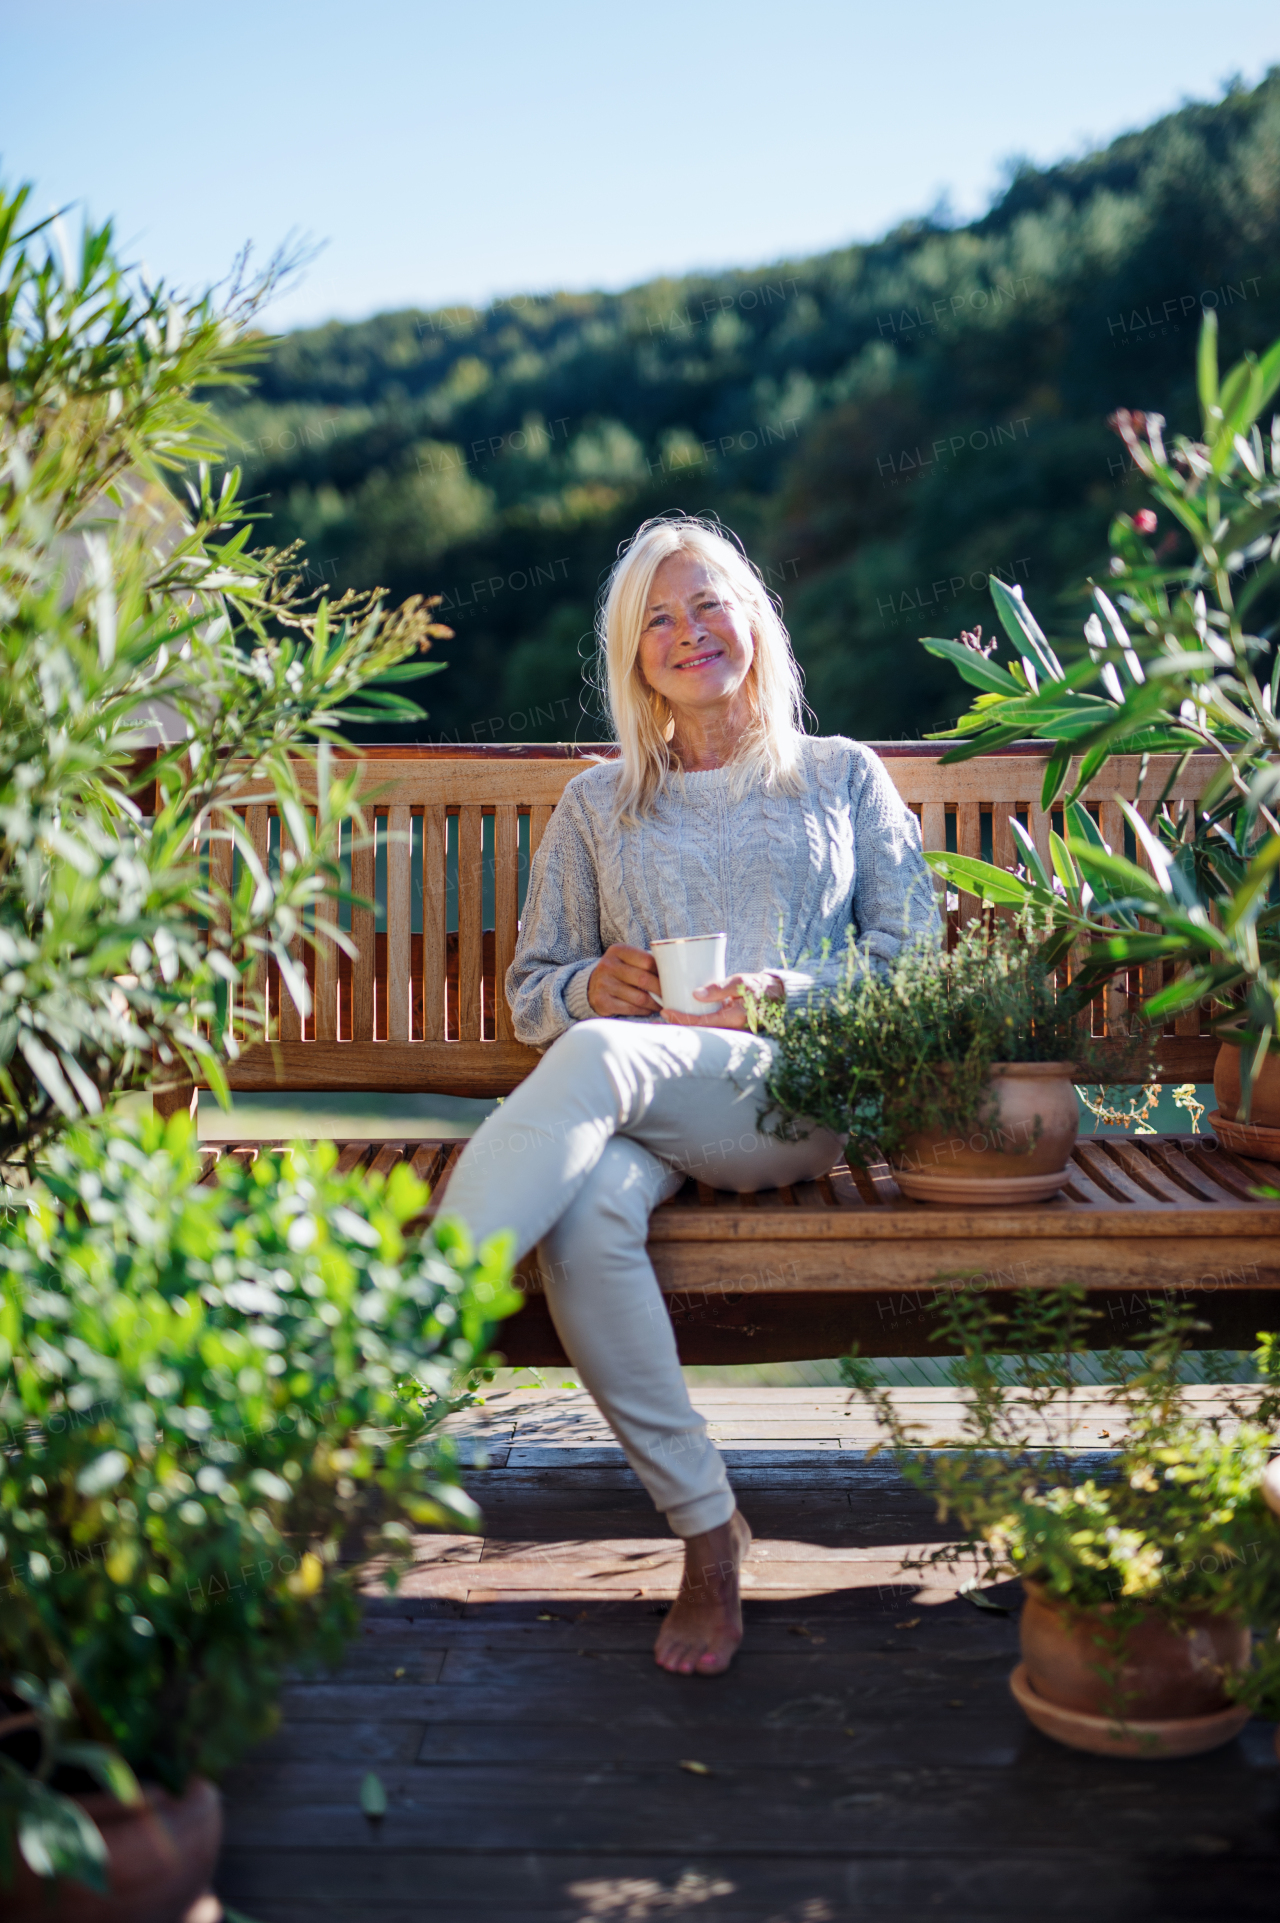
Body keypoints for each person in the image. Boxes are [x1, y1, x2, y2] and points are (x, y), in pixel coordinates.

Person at [441, 514, 938, 1676]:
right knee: (583, 1214)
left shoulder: (839, 776)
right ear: (631, 659)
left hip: (792, 1095)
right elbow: (531, 993)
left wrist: (781, 989)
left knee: (603, 1061)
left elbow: (908, 966)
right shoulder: (597, 804)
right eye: (655, 619)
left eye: (706, 602)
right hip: (647, 1107)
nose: (686, 632)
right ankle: (707, 1533)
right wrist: (590, 982)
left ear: (752, 618)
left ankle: (396, 1326)